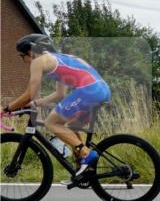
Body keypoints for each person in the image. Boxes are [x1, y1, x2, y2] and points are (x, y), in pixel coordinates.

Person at [2, 34, 111, 180]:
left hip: (89, 90)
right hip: (102, 90)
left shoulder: (38, 61)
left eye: (22, 56)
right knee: (69, 126)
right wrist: (35, 104)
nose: (23, 60)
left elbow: (29, 94)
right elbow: (59, 94)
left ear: (30, 51)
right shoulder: (57, 59)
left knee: (51, 123)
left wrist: (6, 109)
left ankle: (86, 153)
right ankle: (83, 168)